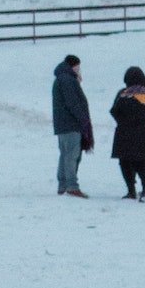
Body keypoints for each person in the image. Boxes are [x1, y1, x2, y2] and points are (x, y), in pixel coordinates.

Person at [110, 66, 145, 200]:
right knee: (139, 162)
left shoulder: (123, 94)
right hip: (141, 134)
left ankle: (131, 189)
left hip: (123, 134)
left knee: (125, 162)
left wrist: (123, 122)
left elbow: (114, 111)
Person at [53, 54, 94, 198]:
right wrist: (83, 119)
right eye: (78, 67)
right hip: (71, 125)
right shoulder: (67, 79)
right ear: (73, 65)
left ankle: (63, 185)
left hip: (63, 125)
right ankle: (71, 186)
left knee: (65, 154)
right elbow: (73, 103)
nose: (79, 70)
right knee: (72, 155)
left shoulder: (62, 78)